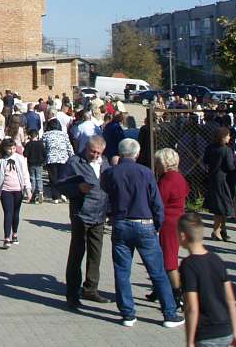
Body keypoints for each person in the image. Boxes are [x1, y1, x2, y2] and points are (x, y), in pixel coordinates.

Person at [100, 138, 184, 328]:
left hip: (121, 223)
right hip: (144, 223)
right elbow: (156, 202)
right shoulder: (146, 173)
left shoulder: (111, 173)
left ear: (120, 154)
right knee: (157, 272)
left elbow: (104, 187)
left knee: (122, 271)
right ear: (137, 154)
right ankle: (169, 314)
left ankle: (128, 314)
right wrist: (157, 223)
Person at [58, 133, 108, 308]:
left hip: (100, 215)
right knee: (77, 254)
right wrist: (78, 188)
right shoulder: (74, 162)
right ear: (86, 148)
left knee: (96, 253)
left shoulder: (105, 163)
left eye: (98, 153)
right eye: (92, 151)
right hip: (81, 215)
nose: (95, 155)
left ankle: (91, 288)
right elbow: (61, 185)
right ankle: (72, 293)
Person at [179, 212, 236, 347]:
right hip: (226, 330)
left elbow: (192, 307)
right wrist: (235, 332)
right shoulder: (216, 260)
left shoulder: (188, 265)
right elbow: (230, 299)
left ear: (182, 236)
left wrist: (189, 341)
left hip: (206, 334)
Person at [154, 148, 188, 310]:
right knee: (165, 257)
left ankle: (177, 294)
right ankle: (158, 289)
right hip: (177, 219)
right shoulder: (179, 177)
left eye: (158, 162)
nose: (156, 165)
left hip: (168, 222)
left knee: (169, 260)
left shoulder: (167, 180)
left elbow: (159, 200)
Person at [0, 139, 31, 249]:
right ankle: (6, 238)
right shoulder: (0, 161)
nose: (12, 150)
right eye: (9, 148)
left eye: (14, 148)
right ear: (4, 148)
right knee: (8, 212)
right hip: (5, 189)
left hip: (18, 189)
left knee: (16, 213)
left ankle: (15, 233)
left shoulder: (20, 159)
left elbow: (25, 175)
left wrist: (28, 190)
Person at [202, 124, 236, 241]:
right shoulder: (226, 150)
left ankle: (223, 230)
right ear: (223, 137)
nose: (229, 137)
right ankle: (216, 231)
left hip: (212, 177)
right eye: (227, 136)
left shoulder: (210, 148)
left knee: (220, 206)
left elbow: (205, 160)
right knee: (221, 207)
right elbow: (230, 166)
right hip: (223, 179)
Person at [42, 118, 73, 203]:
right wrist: (72, 156)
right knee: (62, 177)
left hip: (51, 158)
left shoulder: (46, 135)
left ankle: (56, 197)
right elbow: (69, 147)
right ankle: (63, 193)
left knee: (53, 178)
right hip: (63, 158)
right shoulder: (64, 134)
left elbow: (43, 147)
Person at [23, 130, 46, 203]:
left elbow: (25, 154)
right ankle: (40, 191)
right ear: (37, 136)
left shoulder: (29, 144)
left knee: (32, 178)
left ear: (29, 136)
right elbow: (44, 153)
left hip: (31, 163)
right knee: (39, 178)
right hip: (39, 163)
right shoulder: (41, 143)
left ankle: (33, 194)